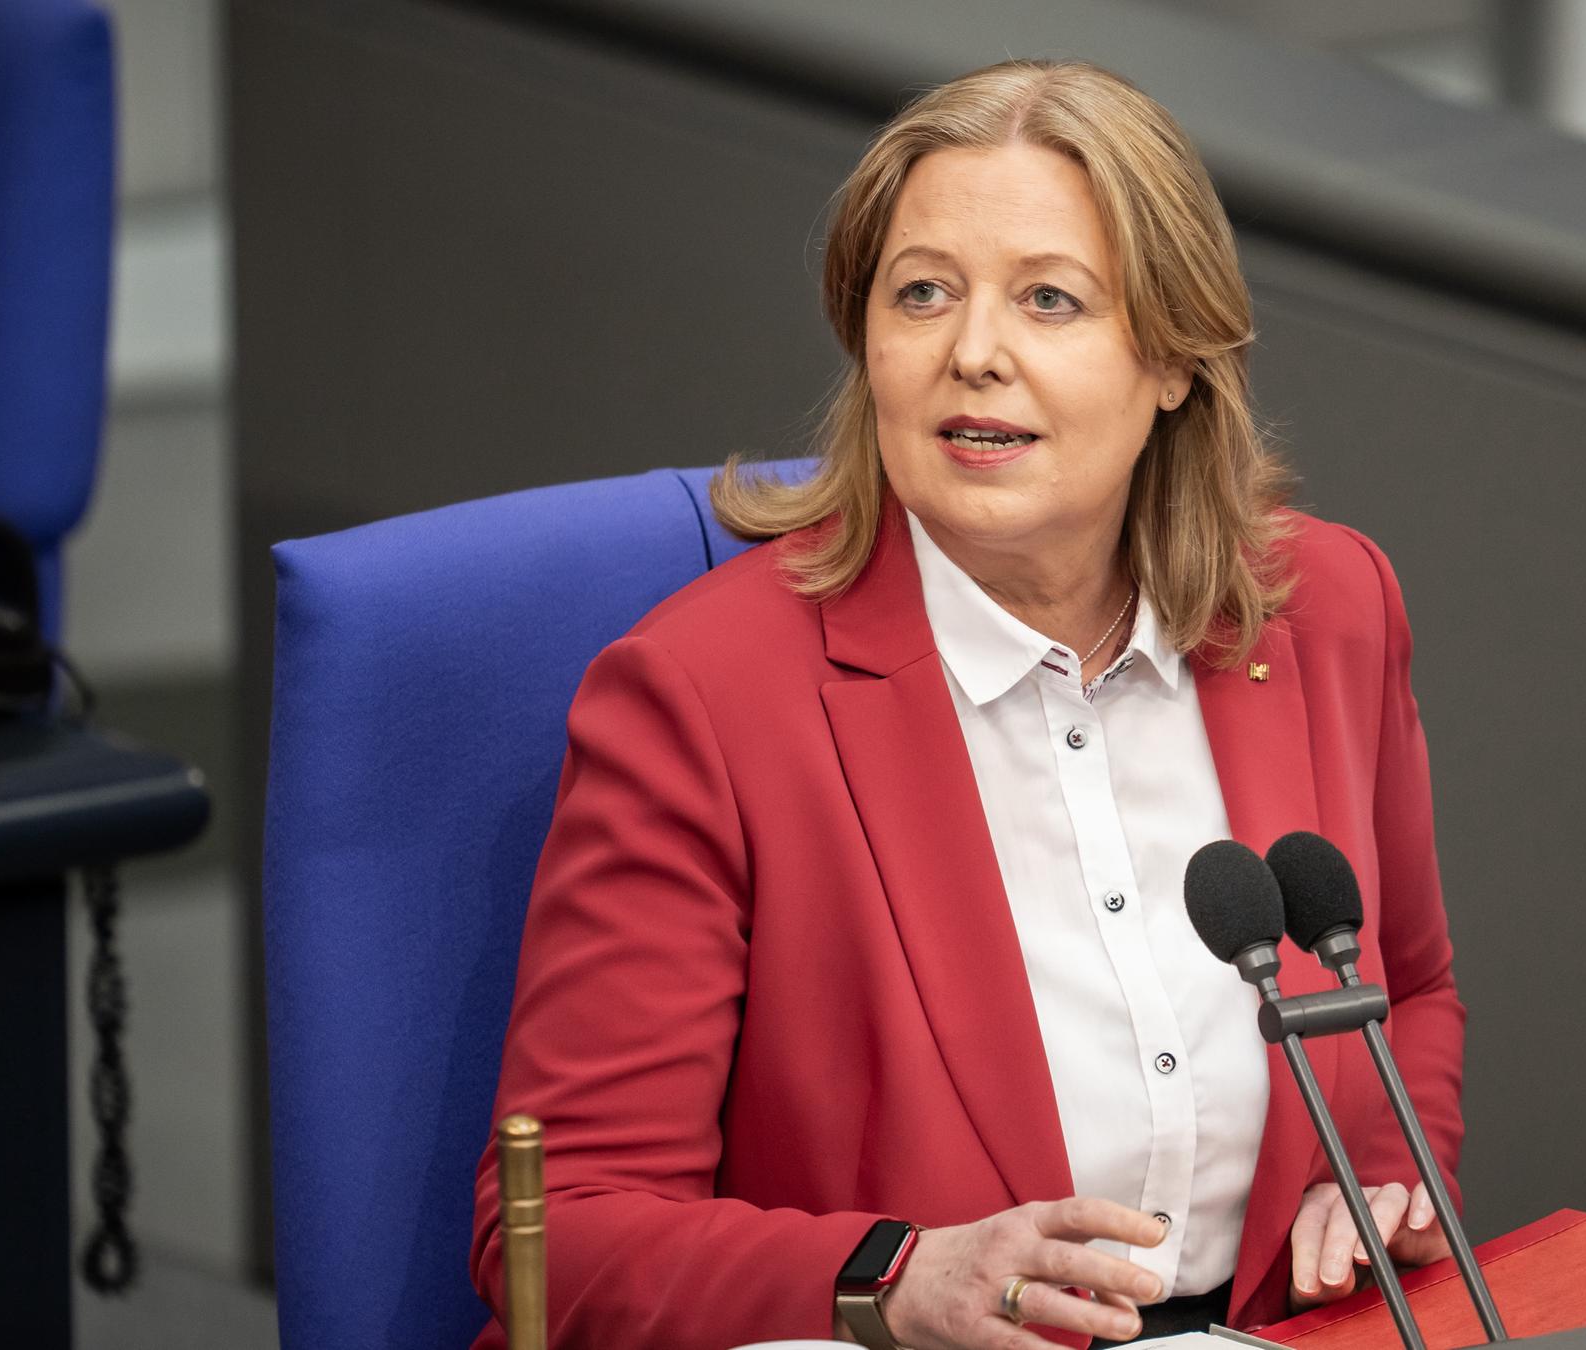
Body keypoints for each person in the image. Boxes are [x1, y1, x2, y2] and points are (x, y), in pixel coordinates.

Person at [471, 59, 1465, 1350]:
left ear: (1173, 360)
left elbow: (1411, 988)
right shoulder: (706, 698)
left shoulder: (1324, 605)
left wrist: (1378, 1176)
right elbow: (567, 1224)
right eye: (922, 292)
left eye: (1049, 300)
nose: (972, 353)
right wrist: (895, 1275)